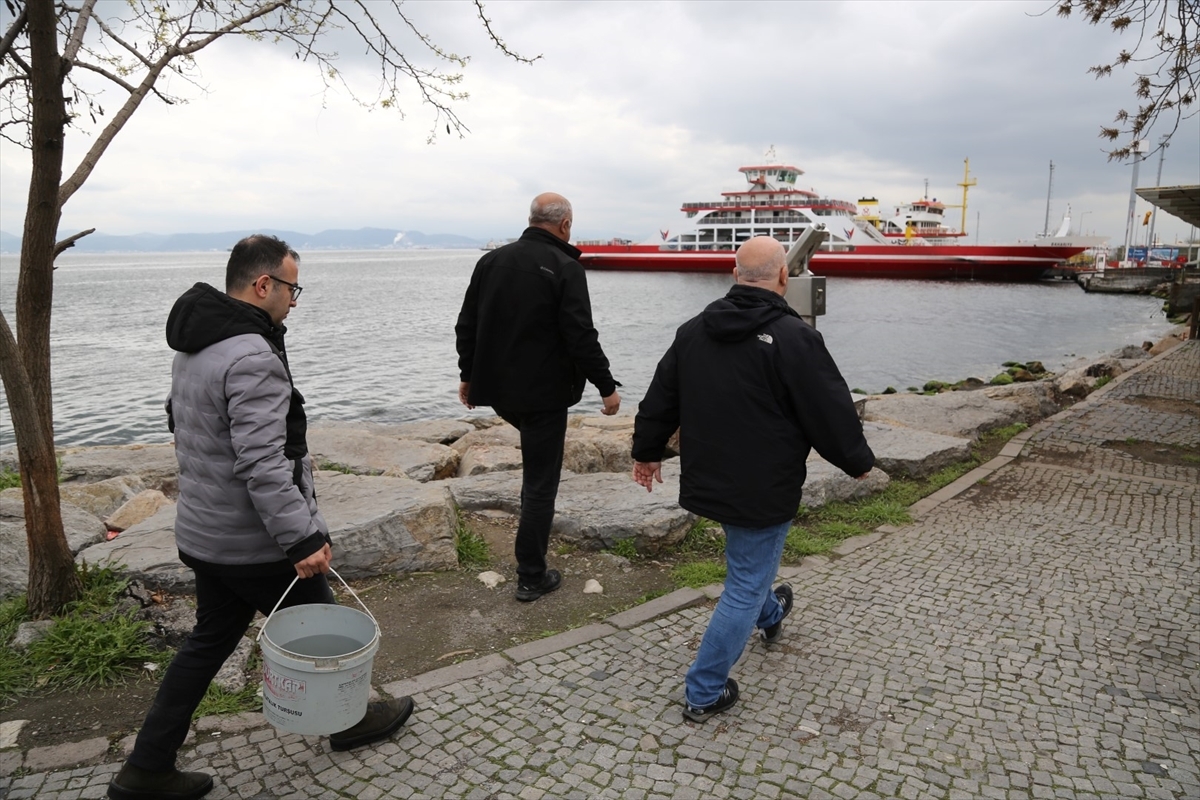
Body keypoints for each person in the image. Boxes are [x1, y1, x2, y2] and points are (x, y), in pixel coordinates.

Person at [108, 235, 413, 800]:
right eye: (293, 288)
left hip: (204, 533)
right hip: (254, 545)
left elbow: (190, 433)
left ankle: (146, 767)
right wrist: (300, 538)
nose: (296, 300)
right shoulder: (251, 355)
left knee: (209, 641)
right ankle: (352, 718)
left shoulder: (197, 346)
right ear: (263, 284)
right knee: (324, 630)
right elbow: (261, 463)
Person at [630, 236, 875, 723]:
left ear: (734, 272)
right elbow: (828, 407)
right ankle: (704, 691)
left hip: (710, 477)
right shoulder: (793, 337)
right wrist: (857, 460)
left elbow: (661, 397)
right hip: (763, 485)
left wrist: (647, 452)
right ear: (784, 276)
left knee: (747, 566)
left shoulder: (693, 330)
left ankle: (771, 614)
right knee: (744, 582)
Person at [455, 193, 621, 602]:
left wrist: (468, 375)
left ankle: (531, 560)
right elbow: (581, 335)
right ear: (564, 225)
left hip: (499, 392)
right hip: (544, 396)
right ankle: (531, 574)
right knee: (541, 484)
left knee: (536, 473)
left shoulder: (491, 261)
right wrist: (607, 386)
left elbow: (467, 324)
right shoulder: (565, 267)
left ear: (532, 220)